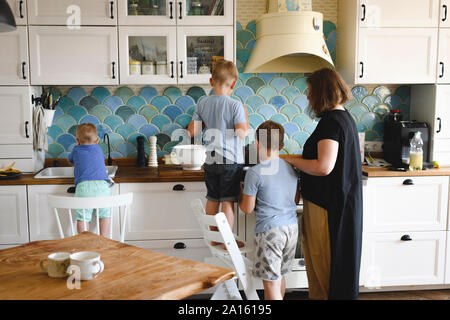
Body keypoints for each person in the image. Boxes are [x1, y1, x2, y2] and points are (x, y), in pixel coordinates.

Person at [284, 68, 363, 300]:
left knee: (323, 265)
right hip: (338, 204)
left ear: (322, 92)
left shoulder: (331, 122)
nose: (308, 96)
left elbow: (323, 166)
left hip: (326, 207)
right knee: (332, 266)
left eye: (310, 91)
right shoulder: (345, 117)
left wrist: (290, 160)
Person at [188, 60, 249, 246]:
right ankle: (227, 241)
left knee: (212, 199)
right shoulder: (235, 105)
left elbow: (192, 131)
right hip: (230, 160)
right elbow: (242, 132)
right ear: (234, 84)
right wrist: (244, 122)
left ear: (211, 81)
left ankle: (213, 239)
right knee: (228, 202)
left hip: (211, 160)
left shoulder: (202, 104)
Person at [239, 120, 299, 300]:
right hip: (292, 229)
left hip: (270, 232)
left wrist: (241, 192)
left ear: (257, 142)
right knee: (279, 277)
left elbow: (247, 209)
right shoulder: (291, 168)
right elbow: (294, 200)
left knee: (270, 283)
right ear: (281, 145)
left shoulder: (255, 173)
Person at [68, 123, 111, 236]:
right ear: (97, 141)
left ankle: (84, 242)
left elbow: (70, 160)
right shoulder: (99, 149)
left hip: (84, 187)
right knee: (104, 215)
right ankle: (104, 239)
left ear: (77, 141)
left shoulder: (76, 149)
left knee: (83, 218)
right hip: (102, 186)